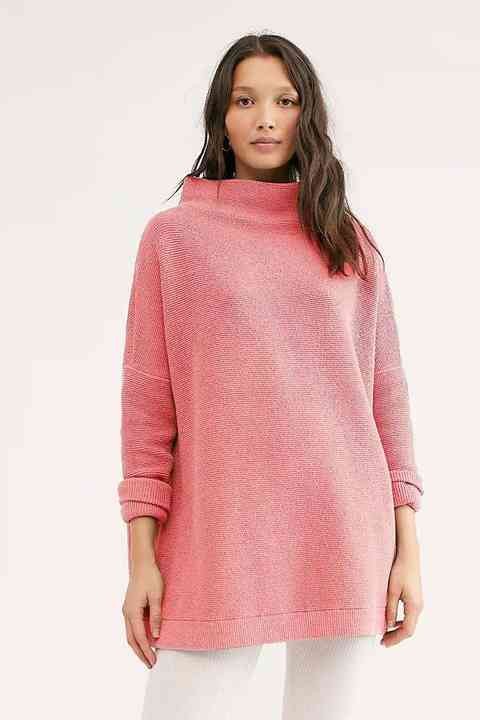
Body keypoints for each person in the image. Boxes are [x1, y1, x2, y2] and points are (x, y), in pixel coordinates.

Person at [117, 32, 424, 719]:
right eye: (245, 100)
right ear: (220, 117)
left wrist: (409, 549)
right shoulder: (175, 239)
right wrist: (142, 559)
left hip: (345, 526)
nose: (265, 118)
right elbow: (147, 406)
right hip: (220, 534)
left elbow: (386, 396)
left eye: (285, 101)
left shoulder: (347, 239)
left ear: (306, 114)